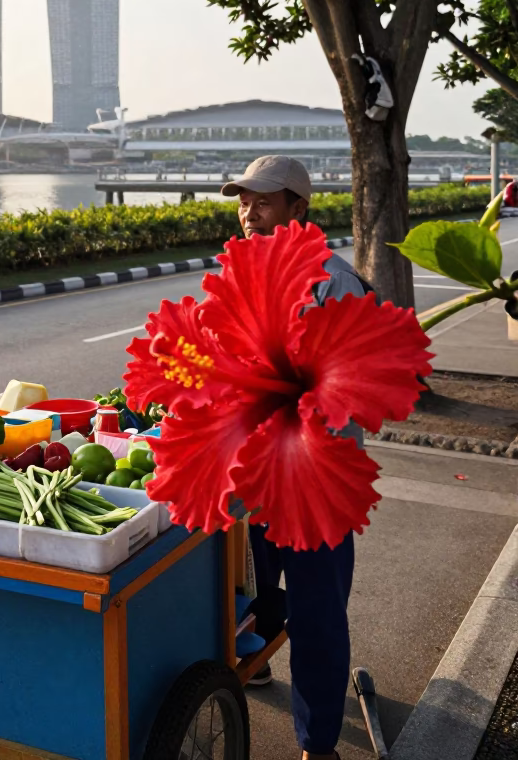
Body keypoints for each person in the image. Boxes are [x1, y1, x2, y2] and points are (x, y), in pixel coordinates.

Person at [220, 155, 370, 760]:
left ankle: (319, 743)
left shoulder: (336, 283)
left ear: (298, 208)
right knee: (250, 589)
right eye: (242, 202)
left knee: (316, 616)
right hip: (255, 475)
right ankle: (255, 666)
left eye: (262, 202)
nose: (248, 214)